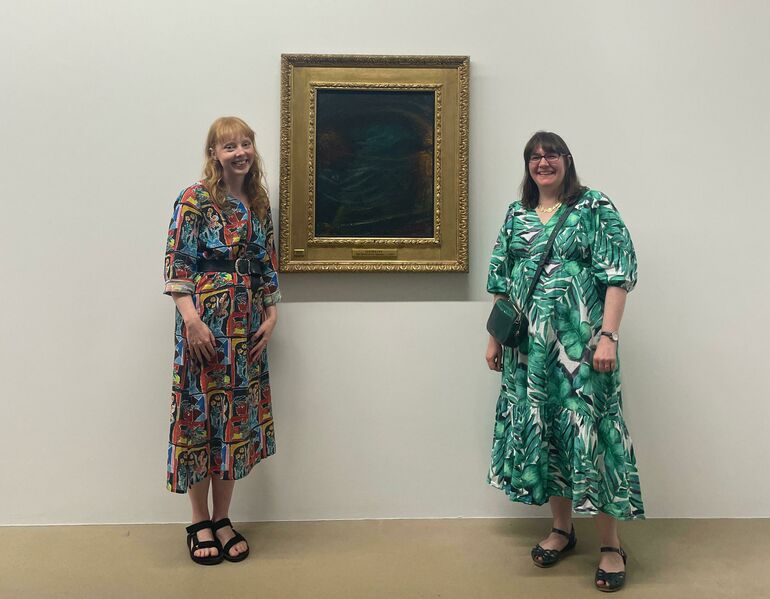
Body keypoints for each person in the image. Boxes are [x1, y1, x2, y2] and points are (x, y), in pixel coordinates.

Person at [485, 131, 642, 592]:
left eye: (551, 154)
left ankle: (611, 544)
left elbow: (619, 273)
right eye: (534, 156)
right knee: (547, 430)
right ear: (527, 166)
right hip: (527, 354)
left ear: (566, 160)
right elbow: (502, 279)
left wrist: (608, 336)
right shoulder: (516, 215)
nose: (543, 162)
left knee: (595, 432)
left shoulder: (594, 207)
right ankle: (562, 529)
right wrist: (495, 339)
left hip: (582, 350)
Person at [163, 116, 281, 565]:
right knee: (200, 417)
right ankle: (198, 521)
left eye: (245, 143)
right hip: (203, 329)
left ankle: (223, 518)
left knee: (232, 423)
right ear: (214, 153)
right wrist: (191, 320)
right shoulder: (194, 199)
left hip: (245, 328)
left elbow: (265, 263)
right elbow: (178, 264)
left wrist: (271, 313)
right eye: (229, 146)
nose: (239, 152)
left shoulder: (257, 201)